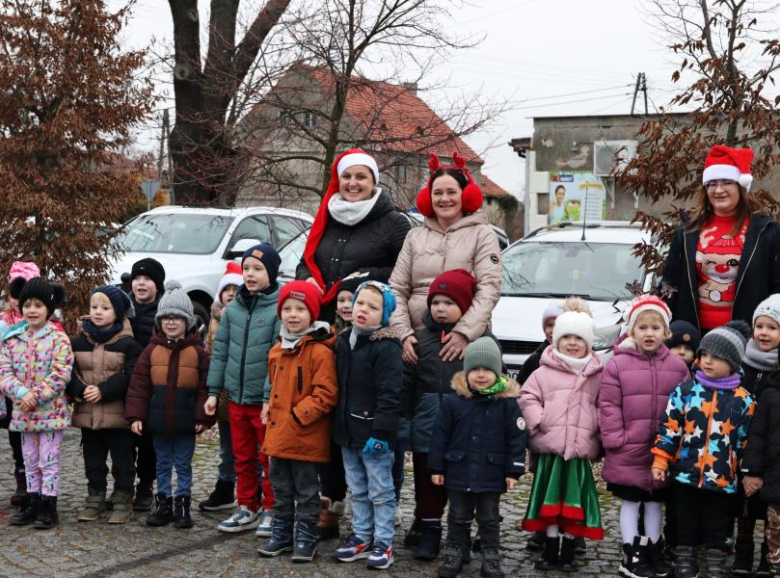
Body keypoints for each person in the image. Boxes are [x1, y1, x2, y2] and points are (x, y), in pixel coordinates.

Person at [297, 149, 410, 540]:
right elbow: (307, 259)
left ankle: (385, 504)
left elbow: (402, 269)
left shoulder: (394, 223)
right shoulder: (328, 214)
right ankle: (332, 502)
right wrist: (307, 281)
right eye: (347, 177)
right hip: (329, 328)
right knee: (334, 415)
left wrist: (365, 276)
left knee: (373, 413)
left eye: (361, 177)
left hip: (372, 330)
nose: (353, 184)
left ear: (374, 181)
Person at [652, 321, 755, 578]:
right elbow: (669, 427)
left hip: (721, 477)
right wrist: (661, 461)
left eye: (716, 357)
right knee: (684, 521)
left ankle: (715, 562)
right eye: (704, 355)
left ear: (732, 362)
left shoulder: (744, 400)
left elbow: (746, 441)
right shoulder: (686, 391)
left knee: (717, 524)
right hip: (685, 473)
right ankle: (685, 561)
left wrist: (746, 471)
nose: (707, 361)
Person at [599, 296, 689, 578]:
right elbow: (608, 405)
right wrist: (616, 439)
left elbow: (686, 406)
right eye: (642, 327)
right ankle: (631, 552)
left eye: (655, 328)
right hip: (628, 447)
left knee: (654, 502)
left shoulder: (677, 367)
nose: (649, 333)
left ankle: (652, 546)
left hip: (663, 451)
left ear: (666, 332)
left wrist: (678, 442)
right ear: (631, 330)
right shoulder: (616, 365)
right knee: (632, 500)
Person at [390, 151, 502, 366]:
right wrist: (403, 334)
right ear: (428, 198)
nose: (444, 199)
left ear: (465, 195)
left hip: (466, 341)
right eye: (437, 192)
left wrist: (464, 332)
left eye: (451, 192)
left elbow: (489, 288)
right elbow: (397, 288)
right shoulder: (414, 236)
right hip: (417, 340)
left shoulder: (483, 234)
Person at [428, 337, 527, 578]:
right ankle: (454, 552)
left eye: (487, 370)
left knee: (489, 517)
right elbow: (440, 437)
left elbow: (517, 438)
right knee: (458, 515)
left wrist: (513, 471)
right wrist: (436, 468)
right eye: (475, 370)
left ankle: (491, 556)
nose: (481, 375)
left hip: (491, 472)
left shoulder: (508, 404)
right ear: (466, 371)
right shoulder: (453, 402)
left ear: (497, 371)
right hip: (458, 469)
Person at [401, 269, 480, 560]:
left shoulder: (478, 342)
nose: (440, 309)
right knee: (426, 482)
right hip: (427, 424)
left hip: (463, 429)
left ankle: (459, 536)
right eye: (436, 302)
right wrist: (405, 421)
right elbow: (407, 386)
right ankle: (429, 532)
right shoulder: (419, 341)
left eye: (448, 303)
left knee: (460, 483)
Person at [519, 300, 604, 572]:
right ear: (555, 340)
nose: (571, 342)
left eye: (578, 338)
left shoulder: (596, 374)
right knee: (551, 501)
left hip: (578, 451)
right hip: (551, 449)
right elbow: (527, 396)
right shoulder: (543, 371)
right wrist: (538, 419)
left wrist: (597, 428)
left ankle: (569, 548)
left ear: (588, 343)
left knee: (572, 501)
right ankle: (550, 546)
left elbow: (606, 404)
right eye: (565, 337)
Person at [257, 281, 338, 562]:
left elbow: (326, 394)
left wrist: (296, 416)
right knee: (280, 487)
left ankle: (306, 534)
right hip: (278, 437)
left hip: (304, 436)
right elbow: (273, 386)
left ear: (312, 314)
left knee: (306, 490)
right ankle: (281, 532)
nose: (293, 314)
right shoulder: (277, 350)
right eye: (287, 309)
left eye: (300, 309)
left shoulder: (320, 350)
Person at [660, 144, 780, 332]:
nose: (718, 190)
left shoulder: (765, 231)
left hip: (748, 336)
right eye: (712, 184)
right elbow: (670, 283)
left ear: (740, 186)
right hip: (694, 337)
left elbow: (776, 287)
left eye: (726, 182)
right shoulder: (688, 231)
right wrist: (670, 326)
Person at [205, 243, 281, 535]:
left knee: (268, 458)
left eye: (258, 269)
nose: (250, 274)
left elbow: (277, 359)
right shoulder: (233, 309)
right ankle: (247, 505)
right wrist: (214, 391)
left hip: (262, 403)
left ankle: (273, 509)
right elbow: (220, 352)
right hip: (235, 399)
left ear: (271, 273)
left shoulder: (277, 309)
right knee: (242, 456)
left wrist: (268, 396)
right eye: (246, 268)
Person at [125, 282, 214, 529]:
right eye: (166, 318)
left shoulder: (198, 353)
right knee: (162, 463)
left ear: (188, 321)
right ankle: (163, 503)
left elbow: (204, 390)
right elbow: (139, 387)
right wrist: (136, 416)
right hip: (159, 422)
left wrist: (202, 418)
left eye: (177, 318)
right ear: (159, 321)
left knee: (183, 465)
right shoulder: (151, 351)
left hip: (186, 424)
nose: (171, 323)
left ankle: (182, 505)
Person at [332, 281, 403, 570]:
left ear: (384, 315)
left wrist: (382, 433)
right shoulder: (344, 339)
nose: (362, 310)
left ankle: (383, 541)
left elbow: (390, 395)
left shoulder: (386, 347)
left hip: (374, 435)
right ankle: (361, 535)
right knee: (357, 489)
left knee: (381, 491)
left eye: (372, 307)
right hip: (348, 433)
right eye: (360, 303)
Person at [0, 278, 72, 529]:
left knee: (47, 460)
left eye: (38, 305)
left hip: (50, 413)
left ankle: (48, 506)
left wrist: (37, 395)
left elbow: (61, 373)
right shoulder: (12, 339)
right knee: (29, 459)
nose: (32, 310)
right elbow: (4, 372)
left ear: (49, 309)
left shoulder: (58, 339)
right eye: (27, 304)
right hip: (23, 413)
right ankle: (31, 502)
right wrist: (21, 393)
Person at [67, 285, 143, 524]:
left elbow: (131, 375)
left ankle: (123, 498)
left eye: (105, 308)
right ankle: (95, 497)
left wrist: (103, 391)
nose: (98, 312)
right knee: (93, 460)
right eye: (94, 307)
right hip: (88, 414)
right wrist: (80, 390)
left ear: (118, 312)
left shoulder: (129, 344)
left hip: (118, 415)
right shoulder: (78, 341)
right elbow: (67, 371)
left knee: (123, 460)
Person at [731, 295, 780, 576]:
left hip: (771, 446)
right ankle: (743, 549)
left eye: (772, 328)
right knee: (743, 503)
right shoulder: (741, 361)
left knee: (770, 503)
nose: (764, 332)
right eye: (760, 326)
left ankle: (767, 552)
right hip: (741, 446)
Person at [199, 262, 243, 512]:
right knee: (227, 447)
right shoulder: (214, 321)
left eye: (236, 290)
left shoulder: (244, 318)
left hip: (243, 393)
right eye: (226, 289)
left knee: (249, 448)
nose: (231, 294)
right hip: (222, 395)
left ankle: (254, 491)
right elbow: (209, 354)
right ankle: (225, 487)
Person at [0, 261, 42, 507]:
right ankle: (21, 478)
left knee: (31, 437)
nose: (20, 301)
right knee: (15, 436)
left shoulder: (44, 323)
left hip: (34, 391)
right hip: (8, 390)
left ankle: (33, 482)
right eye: (16, 294)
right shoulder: (3, 324)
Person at [127, 257, 166, 512]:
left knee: (147, 442)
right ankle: (124, 486)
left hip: (151, 388)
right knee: (125, 442)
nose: (141, 283)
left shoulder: (163, 313)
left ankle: (145, 486)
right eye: (137, 278)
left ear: (158, 285)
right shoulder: (121, 307)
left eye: (147, 279)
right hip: (125, 386)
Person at [741, 353, 780, 575]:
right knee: (775, 532)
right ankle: (773, 565)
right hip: (775, 480)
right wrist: (752, 472)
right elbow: (757, 437)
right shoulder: (770, 394)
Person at [517, 304, 564, 385]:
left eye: (558, 325)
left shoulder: (576, 358)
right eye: (549, 325)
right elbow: (519, 389)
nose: (553, 330)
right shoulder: (534, 360)